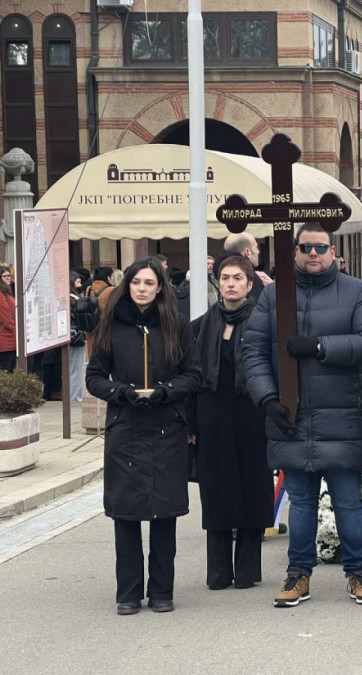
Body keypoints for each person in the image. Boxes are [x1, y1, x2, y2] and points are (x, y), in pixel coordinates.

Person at [242, 223, 362, 608]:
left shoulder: (355, 290)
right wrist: (267, 399)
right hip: (291, 416)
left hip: (343, 414)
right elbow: (252, 350)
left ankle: (359, 574)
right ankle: (297, 575)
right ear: (295, 252)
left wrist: (320, 346)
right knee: (301, 504)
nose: (313, 253)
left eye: (321, 247)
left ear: (334, 252)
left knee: (348, 502)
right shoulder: (273, 296)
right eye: (306, 247)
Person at [85, 257, 201, 615]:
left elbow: (194, 375)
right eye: (136, 283)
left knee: (164, 513)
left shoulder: (177, 324)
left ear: (160, 287)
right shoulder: (111, 324)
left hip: (167, 425)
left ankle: (162, 590)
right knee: (127, 513)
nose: (142, 289)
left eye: (149, 283)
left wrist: (167, 392)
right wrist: (120, 392)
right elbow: (94, 377)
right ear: (127, 285)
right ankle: (129, 592)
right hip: (127, 427)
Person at [190, 255, 273, 591]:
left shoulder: (262, 322)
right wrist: (192, 424)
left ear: (250, 284)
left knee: (252, 488)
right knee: (216, 490)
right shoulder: (201, 324)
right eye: (225, 278)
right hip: (212, 417)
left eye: (238, 278)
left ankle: (248, 570)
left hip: (251, 415)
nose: (231, 284)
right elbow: (193, 376)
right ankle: (219, 571)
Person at [221, 232, 272, 302]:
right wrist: (272, 288)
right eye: (256, 247)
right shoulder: (252, 277)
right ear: (247, 252)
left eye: (237, 278)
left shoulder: (217, 272)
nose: (258, 251)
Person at [68, 271, 87, 402]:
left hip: (72, 335)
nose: (80, 282)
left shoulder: (73, 297)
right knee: (77, 368)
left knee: (74, 368)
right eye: (77, 280)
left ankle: (75, 395)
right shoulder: (72, 299)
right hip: (75, 335)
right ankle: (76, 397)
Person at [0, 265, 15, 372]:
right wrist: (16, 327)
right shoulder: (1, 293)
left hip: (9, 337)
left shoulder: (6, 291)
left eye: (9, 275)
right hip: (5, 338)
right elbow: (5, 315)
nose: (8, 278)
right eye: (5, 276)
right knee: (6, 370)